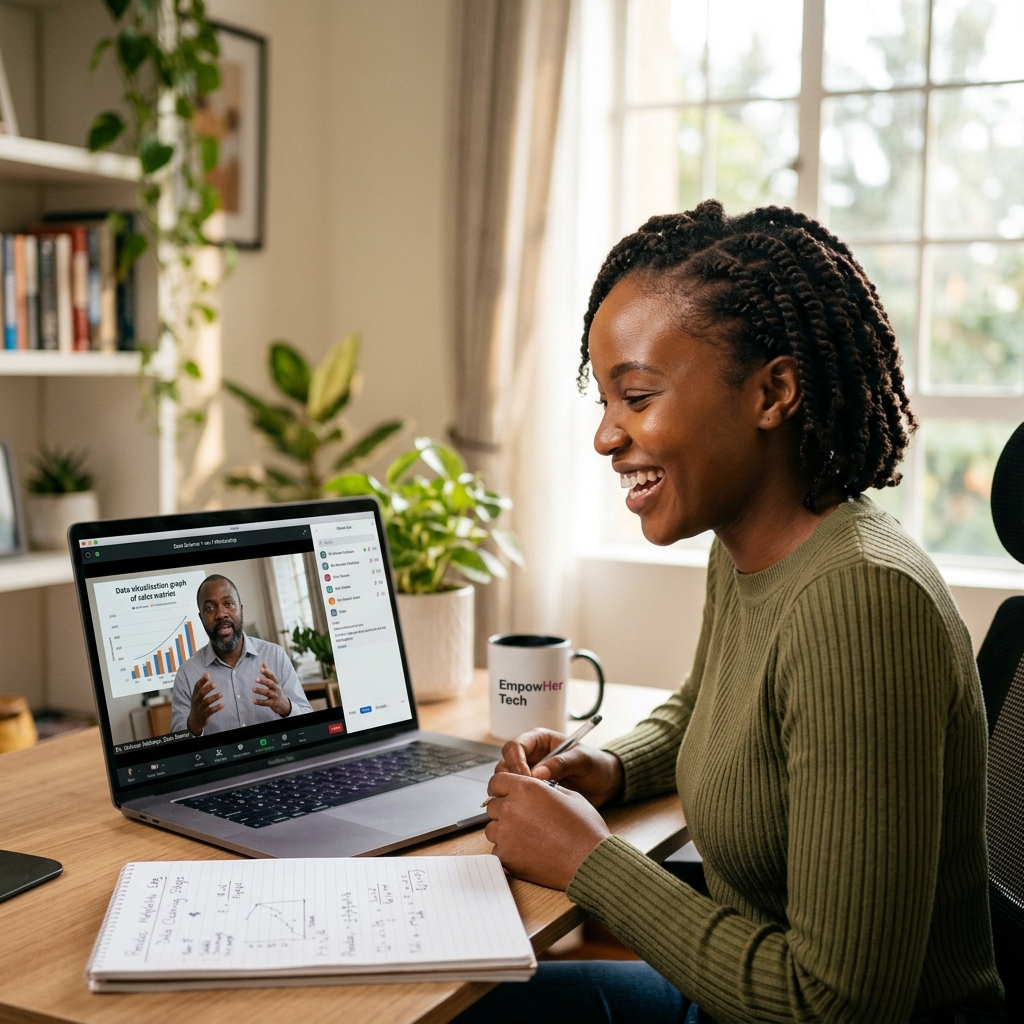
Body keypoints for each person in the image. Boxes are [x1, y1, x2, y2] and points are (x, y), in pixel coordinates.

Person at [459, 202, 1004, 1024]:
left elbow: (834, 1007)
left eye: (637, 395)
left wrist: (589, 861)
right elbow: (702, 708)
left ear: (773, 391)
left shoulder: (860, 601)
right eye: (604, 400)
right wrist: (609, 770)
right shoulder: (751, 543)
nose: (607, 437)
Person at [170, 574, 312, 736]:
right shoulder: (186, 674)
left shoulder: (276, 656)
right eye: (210, 608)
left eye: (228, 604)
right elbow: (177, 746)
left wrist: (286, 707)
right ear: (201, 618)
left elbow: (309, 721)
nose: (221, 614)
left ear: (241, 609)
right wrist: (193, 725)